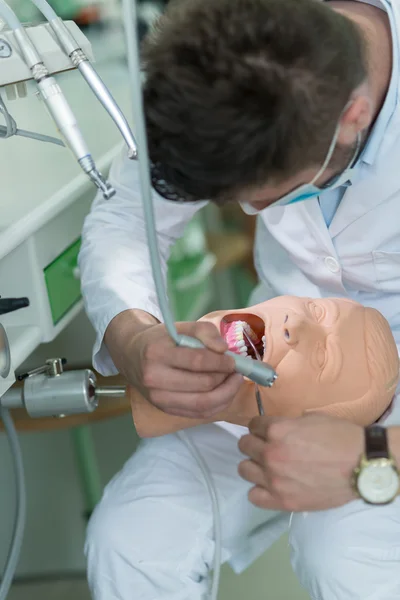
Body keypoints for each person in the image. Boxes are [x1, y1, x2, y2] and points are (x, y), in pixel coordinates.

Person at [79, 0, 400, 598]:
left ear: (352, 116)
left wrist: (375, 455)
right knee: (131, 540)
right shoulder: (230, 61)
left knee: (347, 560)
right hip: (267, 367)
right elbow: (129, 216)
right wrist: (132, 335)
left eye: (263, 199)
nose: (249, 212)